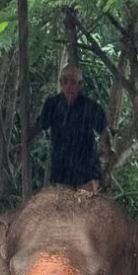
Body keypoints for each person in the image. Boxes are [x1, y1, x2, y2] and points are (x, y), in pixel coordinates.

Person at [20, 64, 113, 192]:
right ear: (61, 83)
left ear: (80, 85)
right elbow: (40, 125)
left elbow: (104, 130)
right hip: (61, 170)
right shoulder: (52, 105)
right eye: (65, 81)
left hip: (86, 170)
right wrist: (23, 143)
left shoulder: (91, 107)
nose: (69, 86)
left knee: (87, 208)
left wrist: (108, 150)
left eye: (73, 82)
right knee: (64, 208)